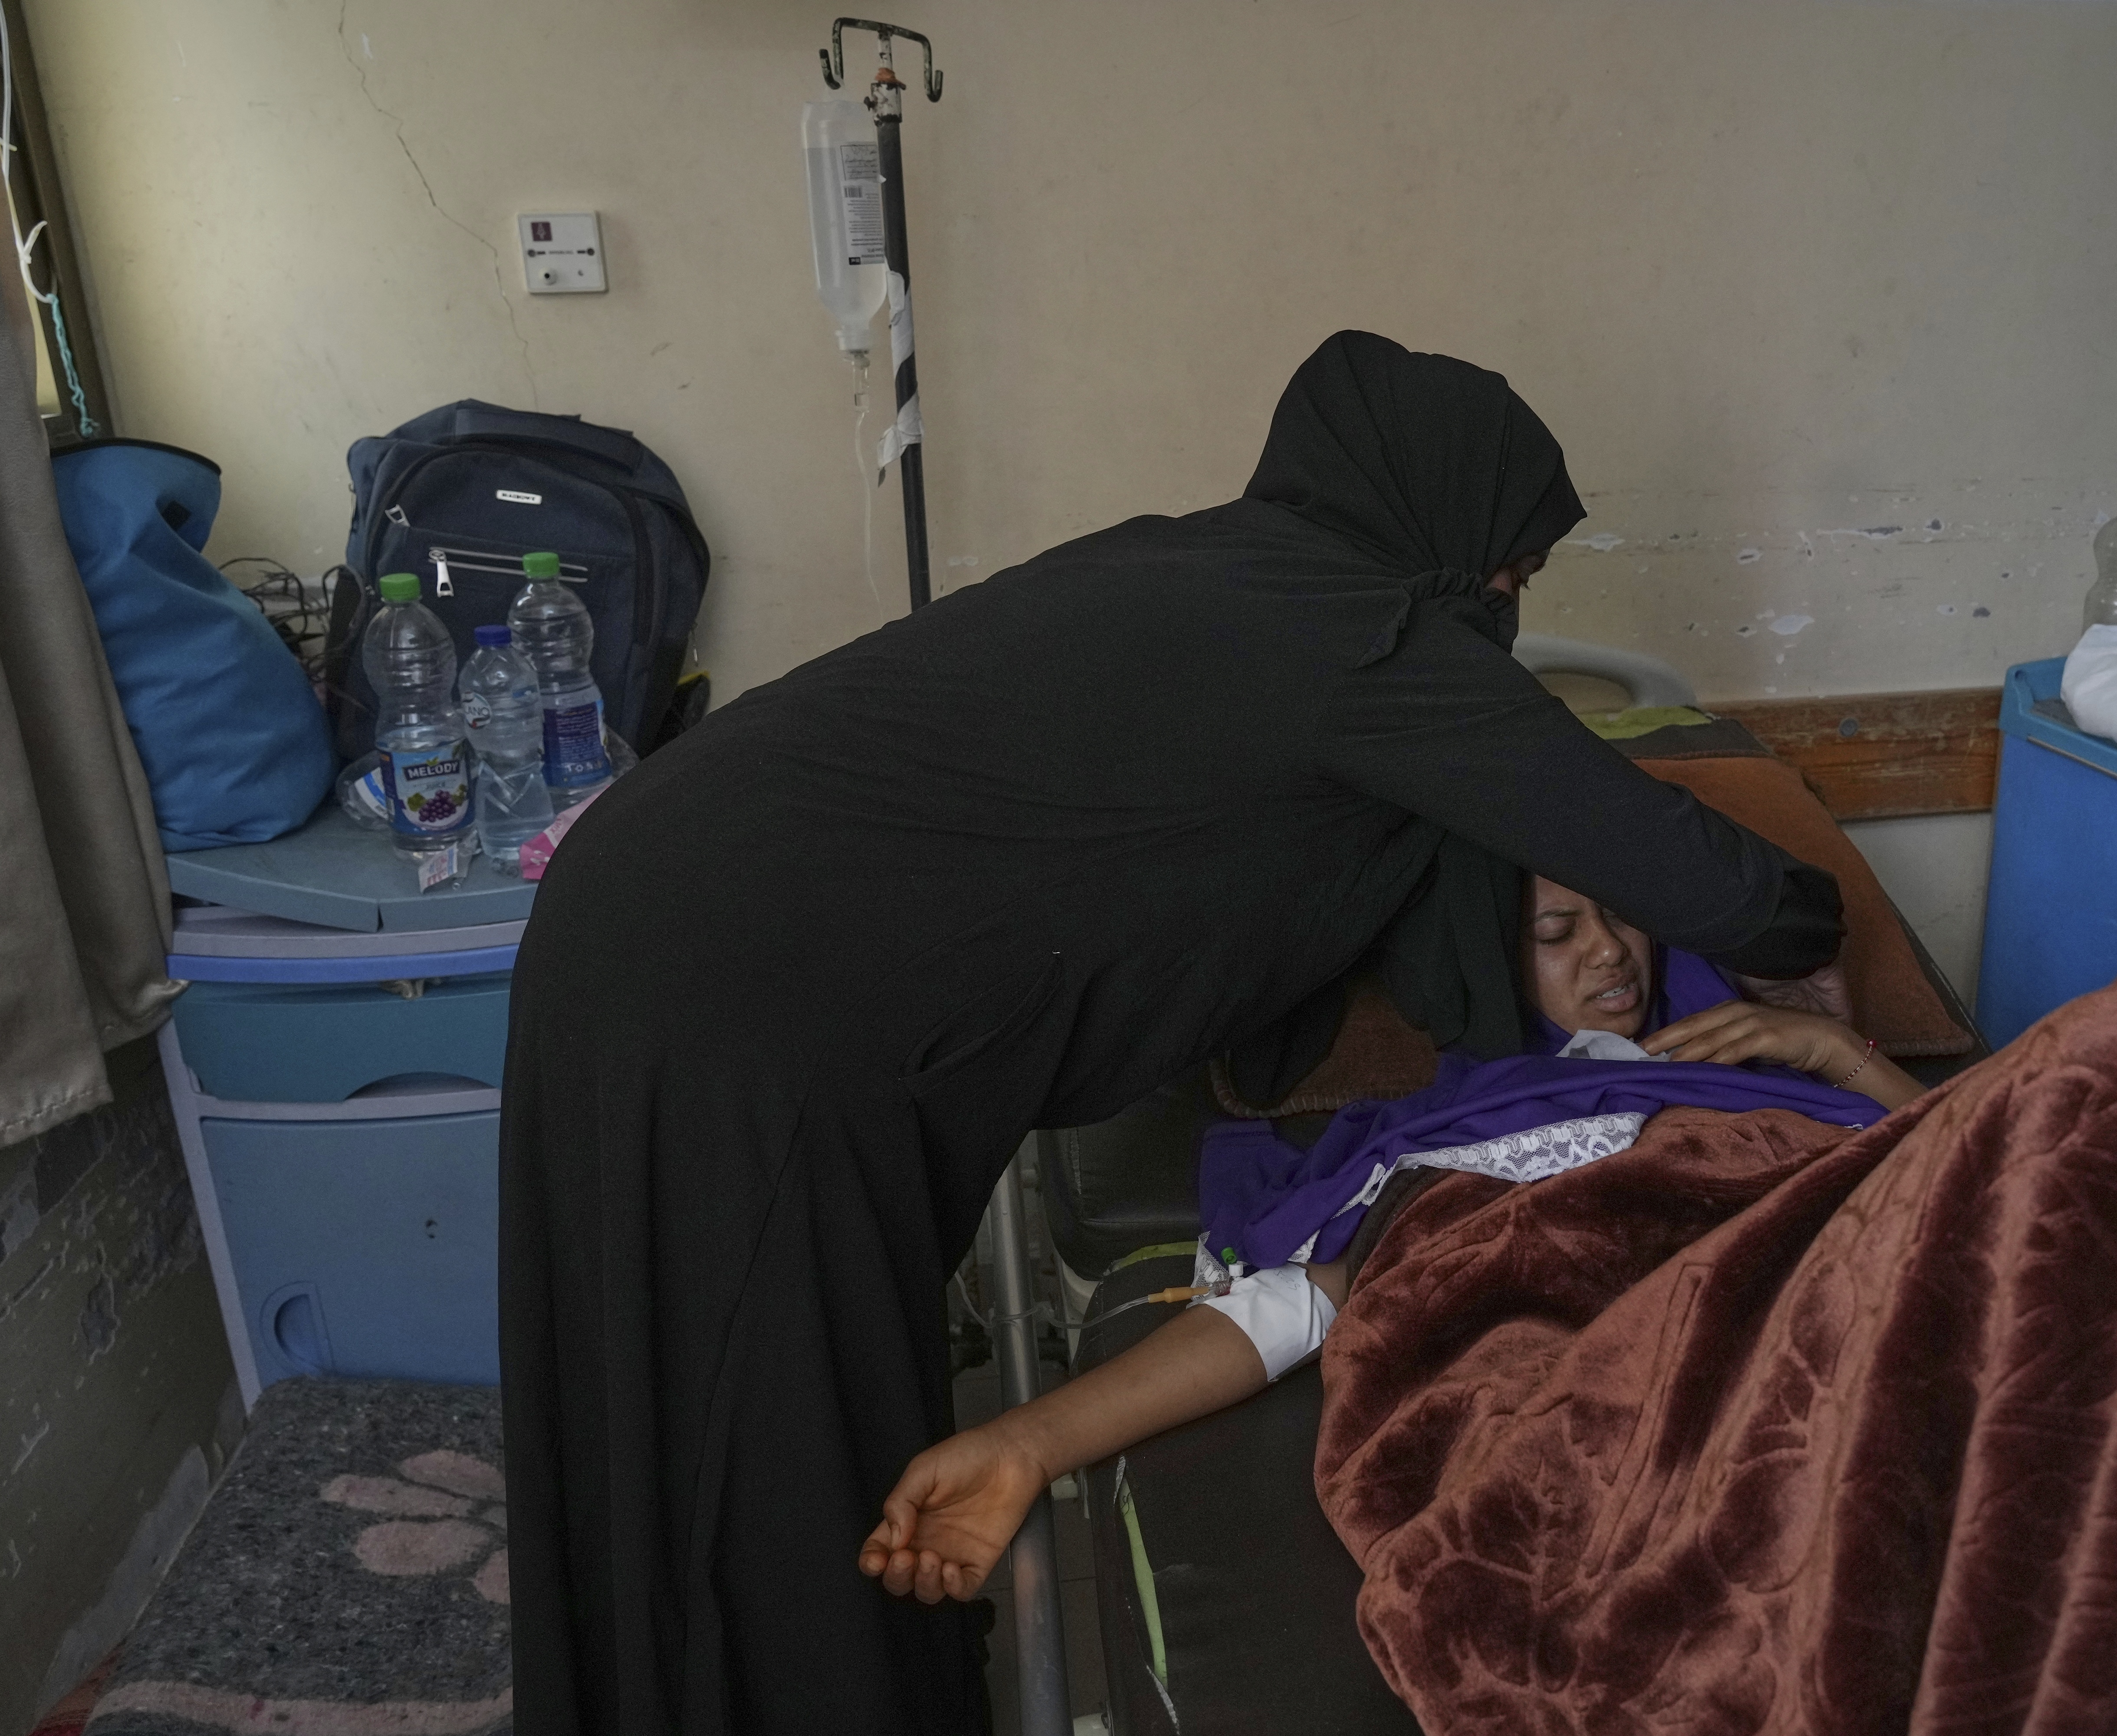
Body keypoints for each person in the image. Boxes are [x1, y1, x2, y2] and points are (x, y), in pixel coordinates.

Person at [500, 331, 1851, 1733]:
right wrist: (1823, 929)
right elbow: (1715, 881)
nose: (1506, 611)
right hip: (741, 993)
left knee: (667, 1400)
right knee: (766, 1441)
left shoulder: (1215, 567)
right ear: (1442, 535)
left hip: (649, 903)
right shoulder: (1369, 639)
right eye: (1511, 574)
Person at [858, 872, 1923, 1605]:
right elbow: (1312, 1302)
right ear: (1488, 962)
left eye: (1623, 913)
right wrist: (1026, 1444)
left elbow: (1969, 1168)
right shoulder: (1457, 1128)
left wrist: (1833, 1051)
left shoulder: (1761, 1072)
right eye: (1555, 932)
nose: (1609, 950)